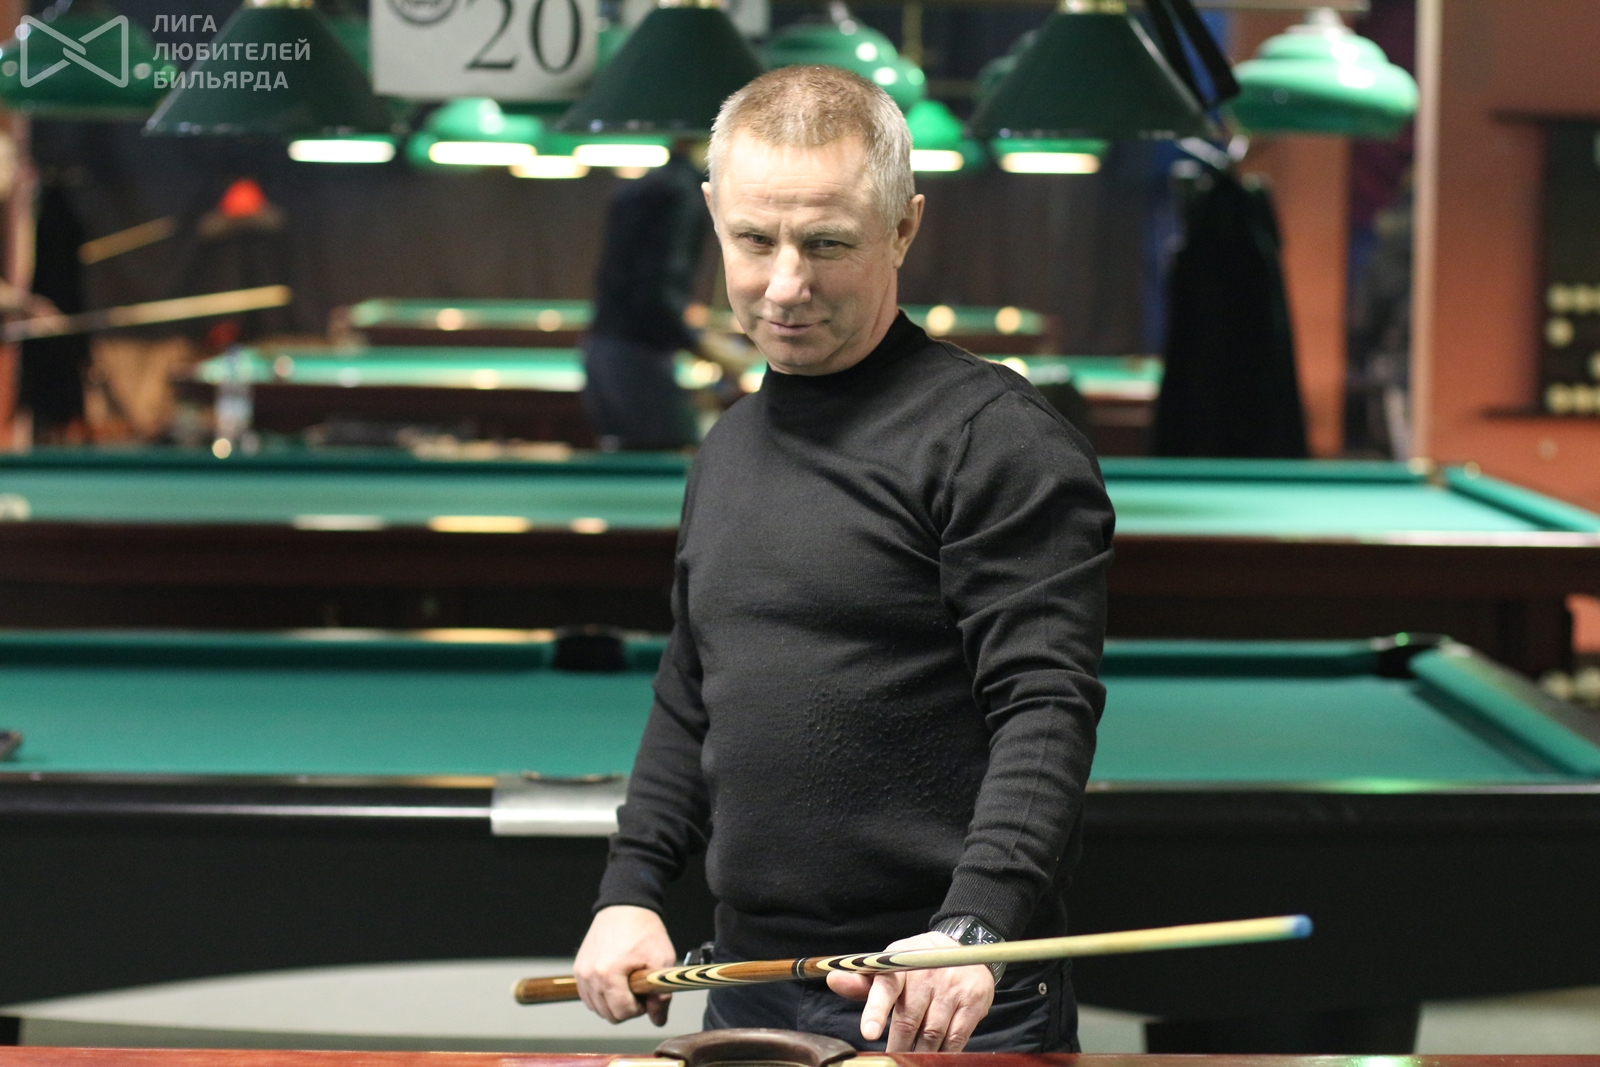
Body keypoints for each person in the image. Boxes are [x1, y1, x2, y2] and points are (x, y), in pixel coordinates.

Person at [573, 65, 1114, 1053]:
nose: (786, 285)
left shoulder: (995, 439)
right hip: (747, 985)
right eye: (754, 240)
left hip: (938, 994)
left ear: (903, 228)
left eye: (826, 243)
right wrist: (631, 888)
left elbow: (1045, 704)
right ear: (713, 215)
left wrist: (977, 926)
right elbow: (691, 686)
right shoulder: (726, 446)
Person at [583, 140, 724, 450]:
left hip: (602, 351)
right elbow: (657, 291)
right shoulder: (680, 193)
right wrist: (703, 346)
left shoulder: (644, 186)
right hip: (635, 360)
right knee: (674, 458)